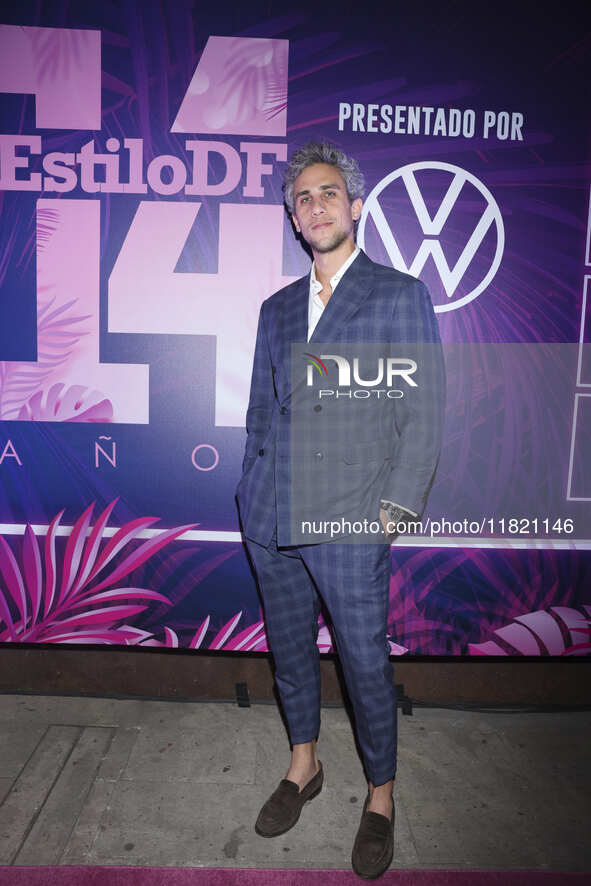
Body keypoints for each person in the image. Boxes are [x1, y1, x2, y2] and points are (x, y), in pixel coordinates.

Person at [236, 142, 445, 880]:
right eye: (302, 199)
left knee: (363, 664)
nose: (315, 206)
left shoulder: (397, 294)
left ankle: (380, 798)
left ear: (354, 207)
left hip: (352, 519)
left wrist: (393, 510)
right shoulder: (277, 308)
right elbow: (262, 411)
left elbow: (422, 414)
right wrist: (248, 489)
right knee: (289, 654)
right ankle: (303, 767)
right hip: (271, 515)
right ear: (293, 219)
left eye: (327, 194)